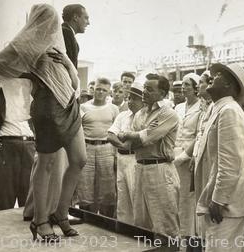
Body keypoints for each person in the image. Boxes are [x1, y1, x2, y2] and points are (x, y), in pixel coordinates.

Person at [0, 4, 87, 242]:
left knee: (79, 160)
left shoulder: (58, 44)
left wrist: (68, 64)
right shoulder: (27, 46)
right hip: (48, 108)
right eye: (47, 18)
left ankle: (60, 212)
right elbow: (2, 63)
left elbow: (76, 83)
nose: (51, 23)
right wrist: (29, 74)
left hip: (70, 105)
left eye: (53, 19)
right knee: (46, 164)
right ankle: (40, 220)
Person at [196, 63, 244, 252]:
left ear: (230, 85)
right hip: (220, 201)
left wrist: (219, 199)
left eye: (220, 75)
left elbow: (230, 162)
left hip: (226, 205)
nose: (212, 76)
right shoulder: (219, 108)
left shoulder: (229, 110)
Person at [118, 73, 180, 238]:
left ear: (162, 94)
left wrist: (129, 134)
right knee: (141, 223)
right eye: (144, 88)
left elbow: (147, 137)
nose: (144, 92)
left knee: (164, 225)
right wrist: (137, 136)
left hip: (160, 169)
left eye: (150, 89)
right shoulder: (140, 114)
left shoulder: (168, 113)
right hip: (140, 167)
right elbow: (135, 143)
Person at [77, 78, 119, 216]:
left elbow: (117, 130)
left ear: (109, 92)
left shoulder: (113, 108)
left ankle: (107, 221)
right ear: (93, 89)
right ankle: (87, 219)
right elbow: (78, 129)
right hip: (87, 146)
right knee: (85, 183)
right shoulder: (83, 107)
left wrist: (116, 153)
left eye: (104, 90)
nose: (100, 92)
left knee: (107, 184)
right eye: (98, 89)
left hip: (107, 148)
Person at [107, 82, 144, 224]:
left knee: (136, 195)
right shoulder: (122, 115)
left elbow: (139, 140)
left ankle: (139, 230)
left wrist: (126, 138)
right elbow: (110, 135)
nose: (131, 102)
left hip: (135, 159)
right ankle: (124, 228)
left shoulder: (145, 117)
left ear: (142, 100)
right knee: (122, 197)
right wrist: (123, 144)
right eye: (129, 98)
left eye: (135, 99)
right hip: (122, 157)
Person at [0, 79, 35, 211]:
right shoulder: (1, 82)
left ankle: (26, 228)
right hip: (7, 143)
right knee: (5, 195)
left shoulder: (30, 83)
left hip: (30, 143)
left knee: (29, 193)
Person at [173, 73, 201, 242]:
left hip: (189, 156)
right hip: (174, 154)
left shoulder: (201, 108)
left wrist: (187, 155)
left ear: (195, 88)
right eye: (182, 85)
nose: (183, 88)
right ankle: (177, 232)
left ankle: (188, 235)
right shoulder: (178, 108)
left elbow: (198, 135)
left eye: (187, 85)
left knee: (187, 197)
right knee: (175, 195)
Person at [62, 4, 89, 68]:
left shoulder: (65, 32)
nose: (88, 23)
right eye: (86, 18)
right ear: (75, 17)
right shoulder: (66, 33)